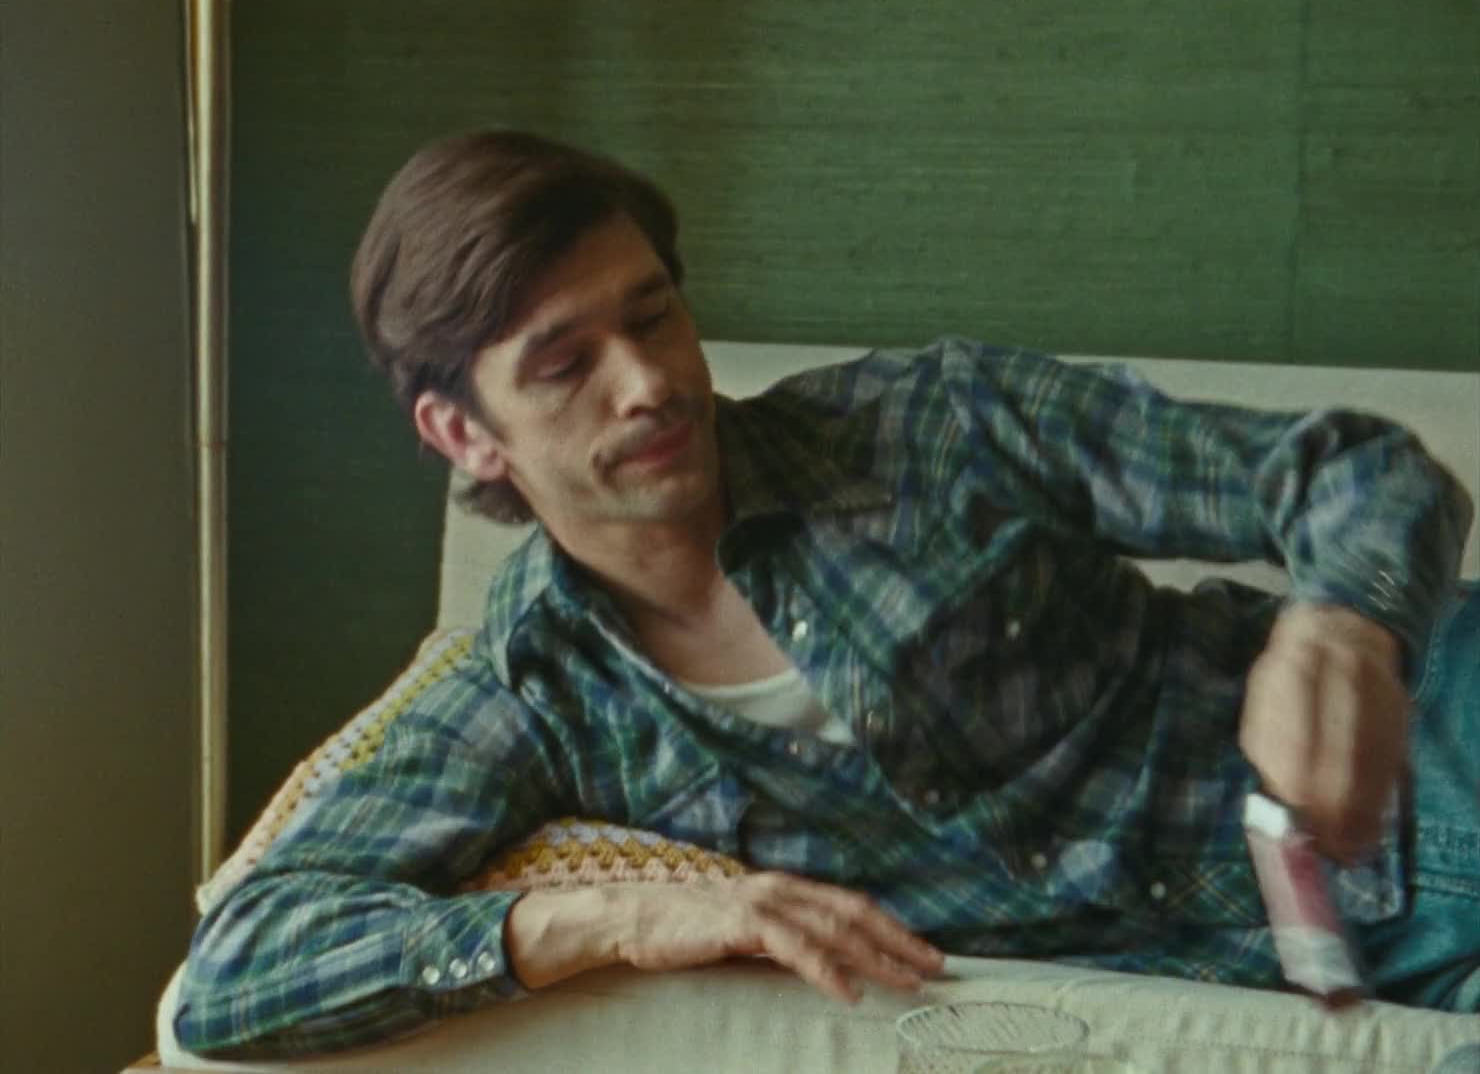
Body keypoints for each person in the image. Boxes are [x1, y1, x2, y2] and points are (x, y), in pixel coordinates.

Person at [174, 129, 1479, 1058]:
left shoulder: (930, 423)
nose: (648, 384)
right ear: (464, 434)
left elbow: (1357, 472)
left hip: (1446, 741)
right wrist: (627, 915)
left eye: (654, 315)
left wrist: (1344, 626)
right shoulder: (532, 693)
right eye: (566, 365)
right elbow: (235, 972)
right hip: (1332, 969)